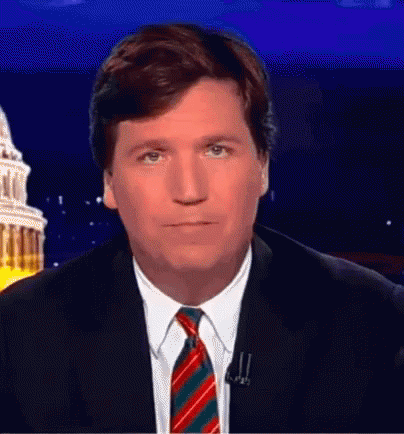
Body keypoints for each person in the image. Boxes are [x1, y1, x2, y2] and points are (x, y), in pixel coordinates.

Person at [1, 22, 403, 434]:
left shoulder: (374, 325)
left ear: (262, 168)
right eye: (153, 156)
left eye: (216, 150)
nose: (189, 191)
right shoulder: (19, 336)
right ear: (109, 183)